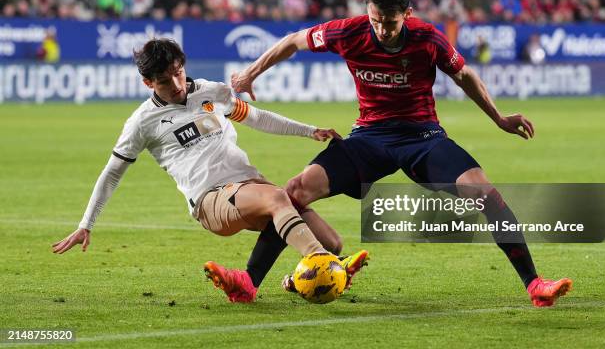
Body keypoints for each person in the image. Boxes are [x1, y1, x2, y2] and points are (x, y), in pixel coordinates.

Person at [232, 0, 572, 307]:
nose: (381, 29)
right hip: (369, 137)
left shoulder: (427, 38)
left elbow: (464, 75)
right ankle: (249, 282)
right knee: (295, 190)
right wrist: (250, 73)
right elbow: (293, 40)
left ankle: (535, 285)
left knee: (484, 192)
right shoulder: (349, 31)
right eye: (375, 20)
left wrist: (498, 117)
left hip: (422, 136)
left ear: (406, 14)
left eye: (390, 23)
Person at [52, 38, 368, 303]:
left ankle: (292, 280)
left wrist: (309, 130)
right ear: (148, 83)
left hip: (249, 187)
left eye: (178, 73)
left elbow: (256, 118)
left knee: (332, 242)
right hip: (210, 200)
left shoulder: (211, 92)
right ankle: (318, 261)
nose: (176, 84)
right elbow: (112, 173)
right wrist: (86, 223)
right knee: (279, 200)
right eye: (164, 80)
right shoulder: (141, 122)